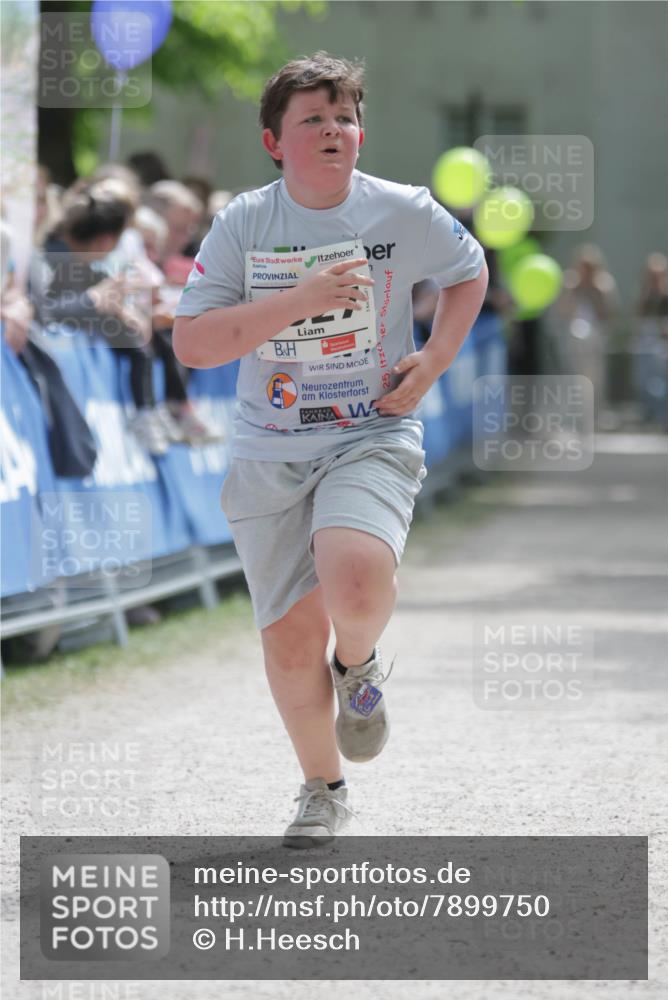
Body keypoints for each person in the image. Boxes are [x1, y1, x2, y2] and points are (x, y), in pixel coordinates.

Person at [173, 52, 487, 847]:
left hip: (371, 427)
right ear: (275, 141)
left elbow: (468, 270)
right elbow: (195, 345)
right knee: (286, 639)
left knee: (353, 575)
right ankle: (323, 789)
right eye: (312, 119)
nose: (333, 131)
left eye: (343, 118)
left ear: (361, 132)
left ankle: (359, 663)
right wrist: (298, 302)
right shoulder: (245, 222)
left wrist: (436, 358)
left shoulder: (403, 209)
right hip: (270, 446)